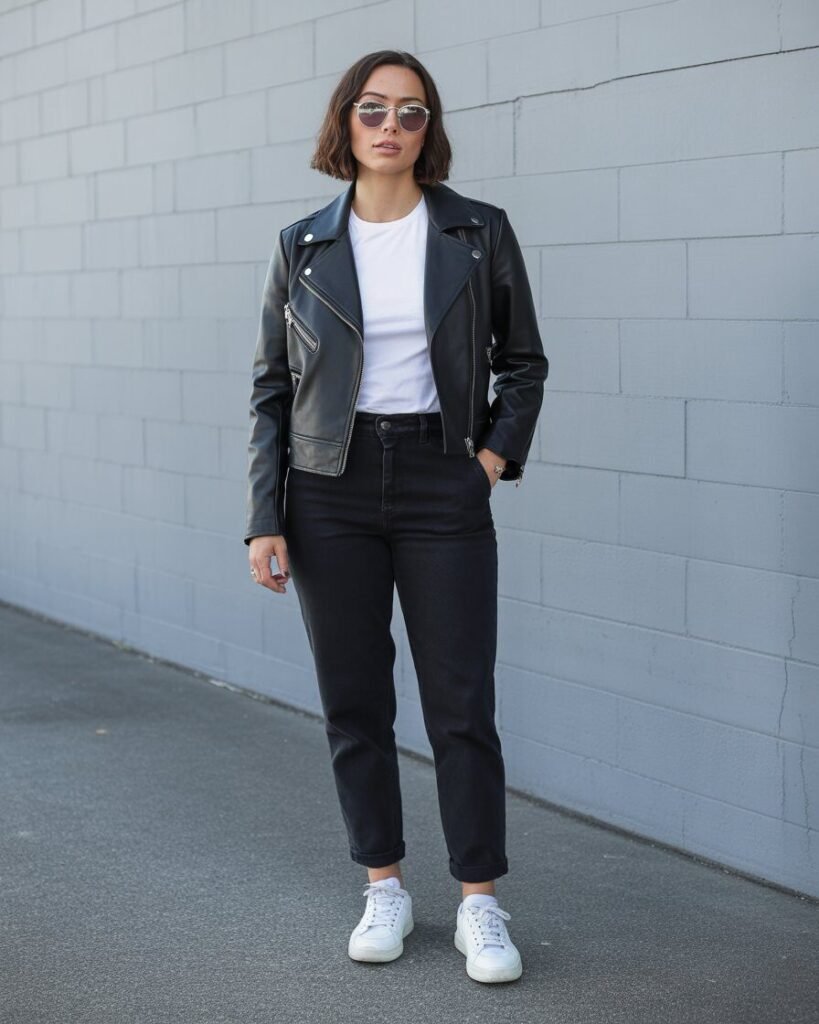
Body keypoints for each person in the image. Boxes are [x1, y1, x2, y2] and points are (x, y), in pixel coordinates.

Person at [244, 49, 547, 984]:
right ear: (345, 124)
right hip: (326, 485)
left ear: (428, 130)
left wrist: (489, 461)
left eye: (410, 113)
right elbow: (271, 387)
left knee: (462, 703)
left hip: (439, 480)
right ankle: (384, 884)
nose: (390, 126)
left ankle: (479, 904)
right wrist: (266, 515)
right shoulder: (303, 244)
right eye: (372, 109)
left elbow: (523, 363)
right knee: (355, 701)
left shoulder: (476, 232)